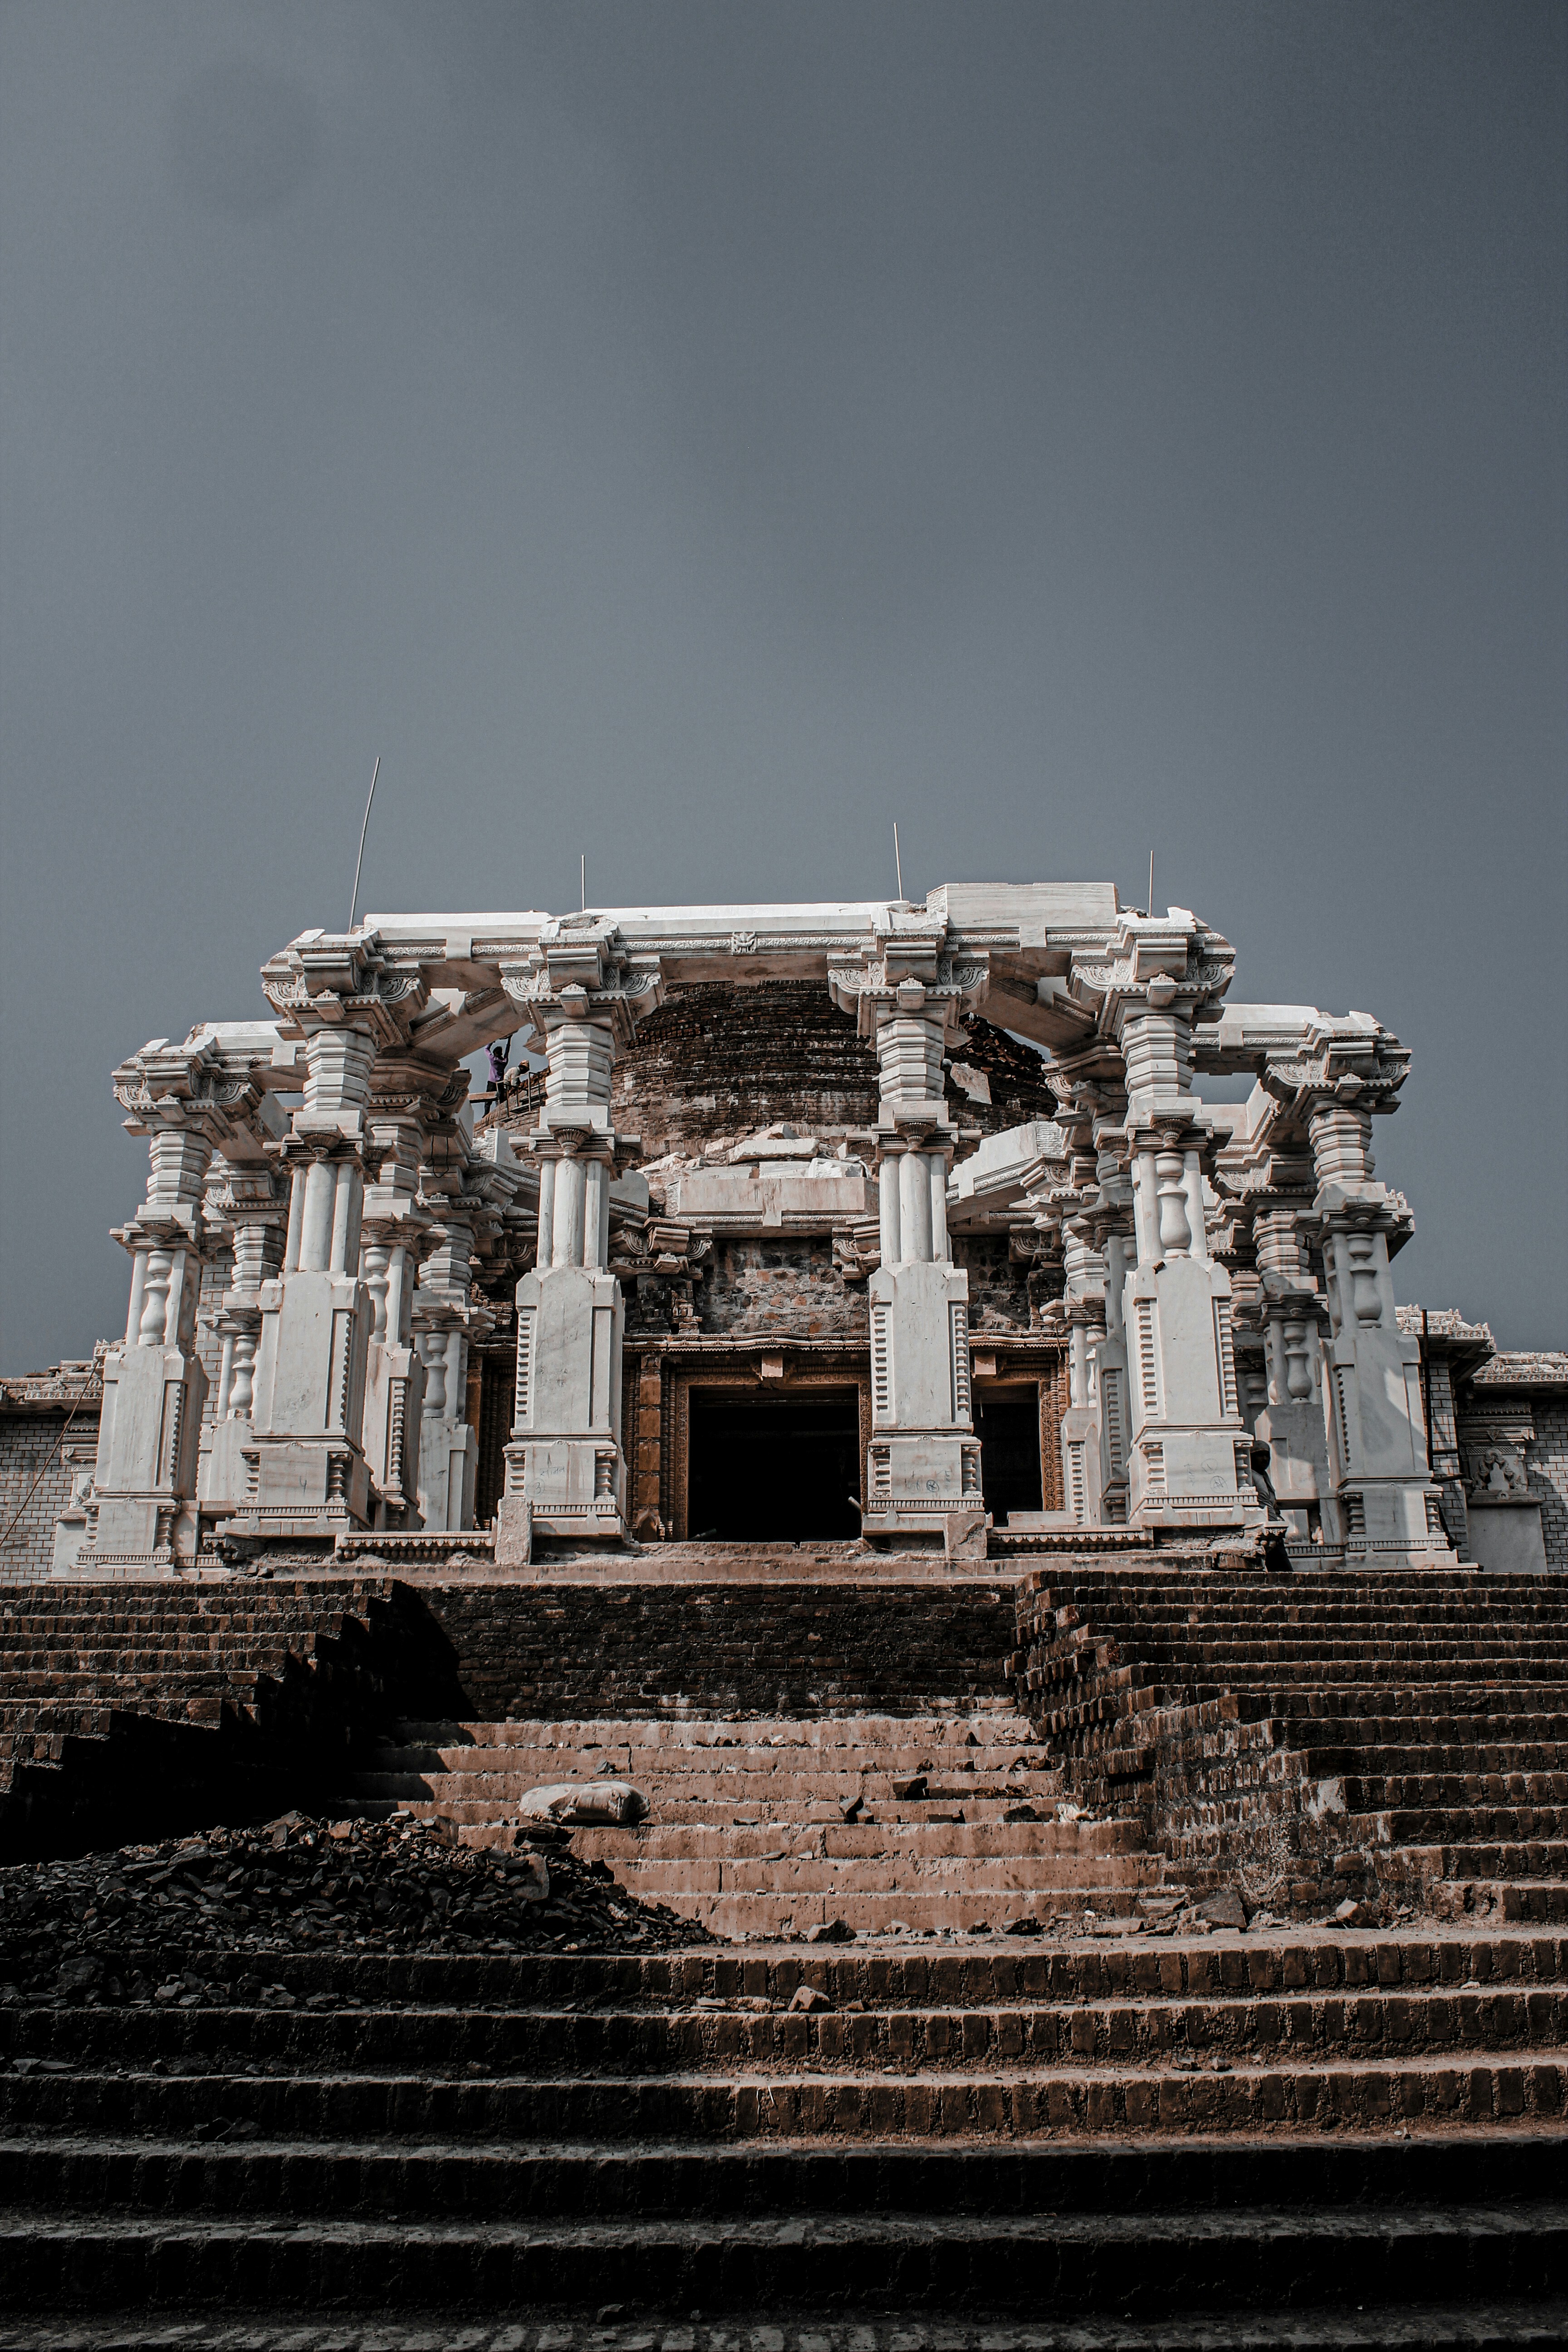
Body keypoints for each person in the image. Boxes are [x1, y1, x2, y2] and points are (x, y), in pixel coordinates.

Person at [1248, 1441, 1294, 1575]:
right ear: (1251, 1457)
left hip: (1273, 1531)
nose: (1265, 1459)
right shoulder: (1250, 1476)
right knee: (1283, 1572)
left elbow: (1271, 1504)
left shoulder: (1264, 1476)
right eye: (1260, 1455)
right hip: (1260, 1531)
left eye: (1267, 1455)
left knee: (1283, 1572)